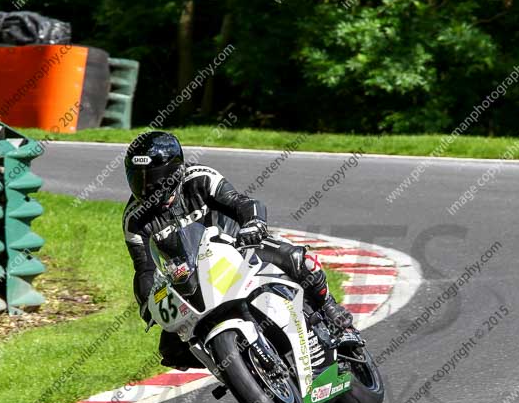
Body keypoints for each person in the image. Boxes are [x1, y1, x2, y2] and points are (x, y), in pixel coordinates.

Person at [123, 131, 353, 370]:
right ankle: (237, 366)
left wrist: (253, 223)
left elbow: (241, 202)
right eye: (139, 181)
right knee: (171, 351)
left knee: (297, 259)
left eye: (156, 179)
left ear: (176, 171)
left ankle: (330, 308)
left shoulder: (201, 178)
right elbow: (144, 268)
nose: (149, 188)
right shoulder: (134, 219)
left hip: (238, 247)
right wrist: (148, 305)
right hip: (191, 279)